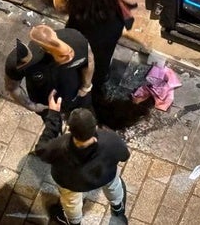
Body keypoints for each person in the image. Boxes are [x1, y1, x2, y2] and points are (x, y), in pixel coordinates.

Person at [35, 92, 130, 225]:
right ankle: (117, 208)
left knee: (71, 202)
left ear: (70, 129)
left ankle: (74, 222)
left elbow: (41, 149)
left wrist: (53, 116)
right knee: (114, 187)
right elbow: (125, 156)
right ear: (95, 126)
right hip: (105, 176)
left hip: (71, 184)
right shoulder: (111, 140)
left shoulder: (58, 147)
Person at [54, 0, 137, 91]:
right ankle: (100, 79)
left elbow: (58, 4)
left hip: (81, 27)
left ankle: (79, 78)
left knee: (80, 54)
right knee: (104, 56)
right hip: (109, 26)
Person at [4, 25, 94, 115]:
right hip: (57, 100)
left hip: (66, 97)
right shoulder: (76, 38)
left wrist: (32, 106)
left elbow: (12, 87)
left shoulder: (77, 40)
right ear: (54, 33)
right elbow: (89, 60)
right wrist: (86, 87)